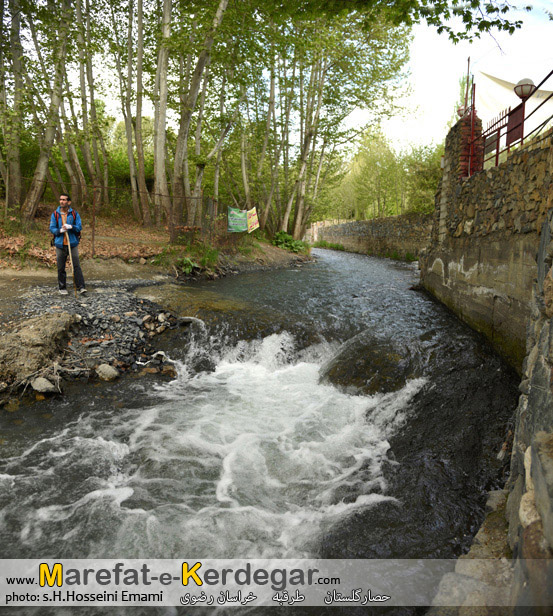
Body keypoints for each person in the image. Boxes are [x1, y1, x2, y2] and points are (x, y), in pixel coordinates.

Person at [50, 193, 87, 295]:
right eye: (61, 199)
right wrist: (59, 230)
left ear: (69, 202)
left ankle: (81, 287)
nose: (62, 201)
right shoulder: (55, 214)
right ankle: (62, 287)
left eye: (64, 200)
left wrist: (71, 226)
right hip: (60, 244)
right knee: (61, 267)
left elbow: (79, 227)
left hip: (72, 243)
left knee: (76, 266)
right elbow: (52, 228)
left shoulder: (74, 214)